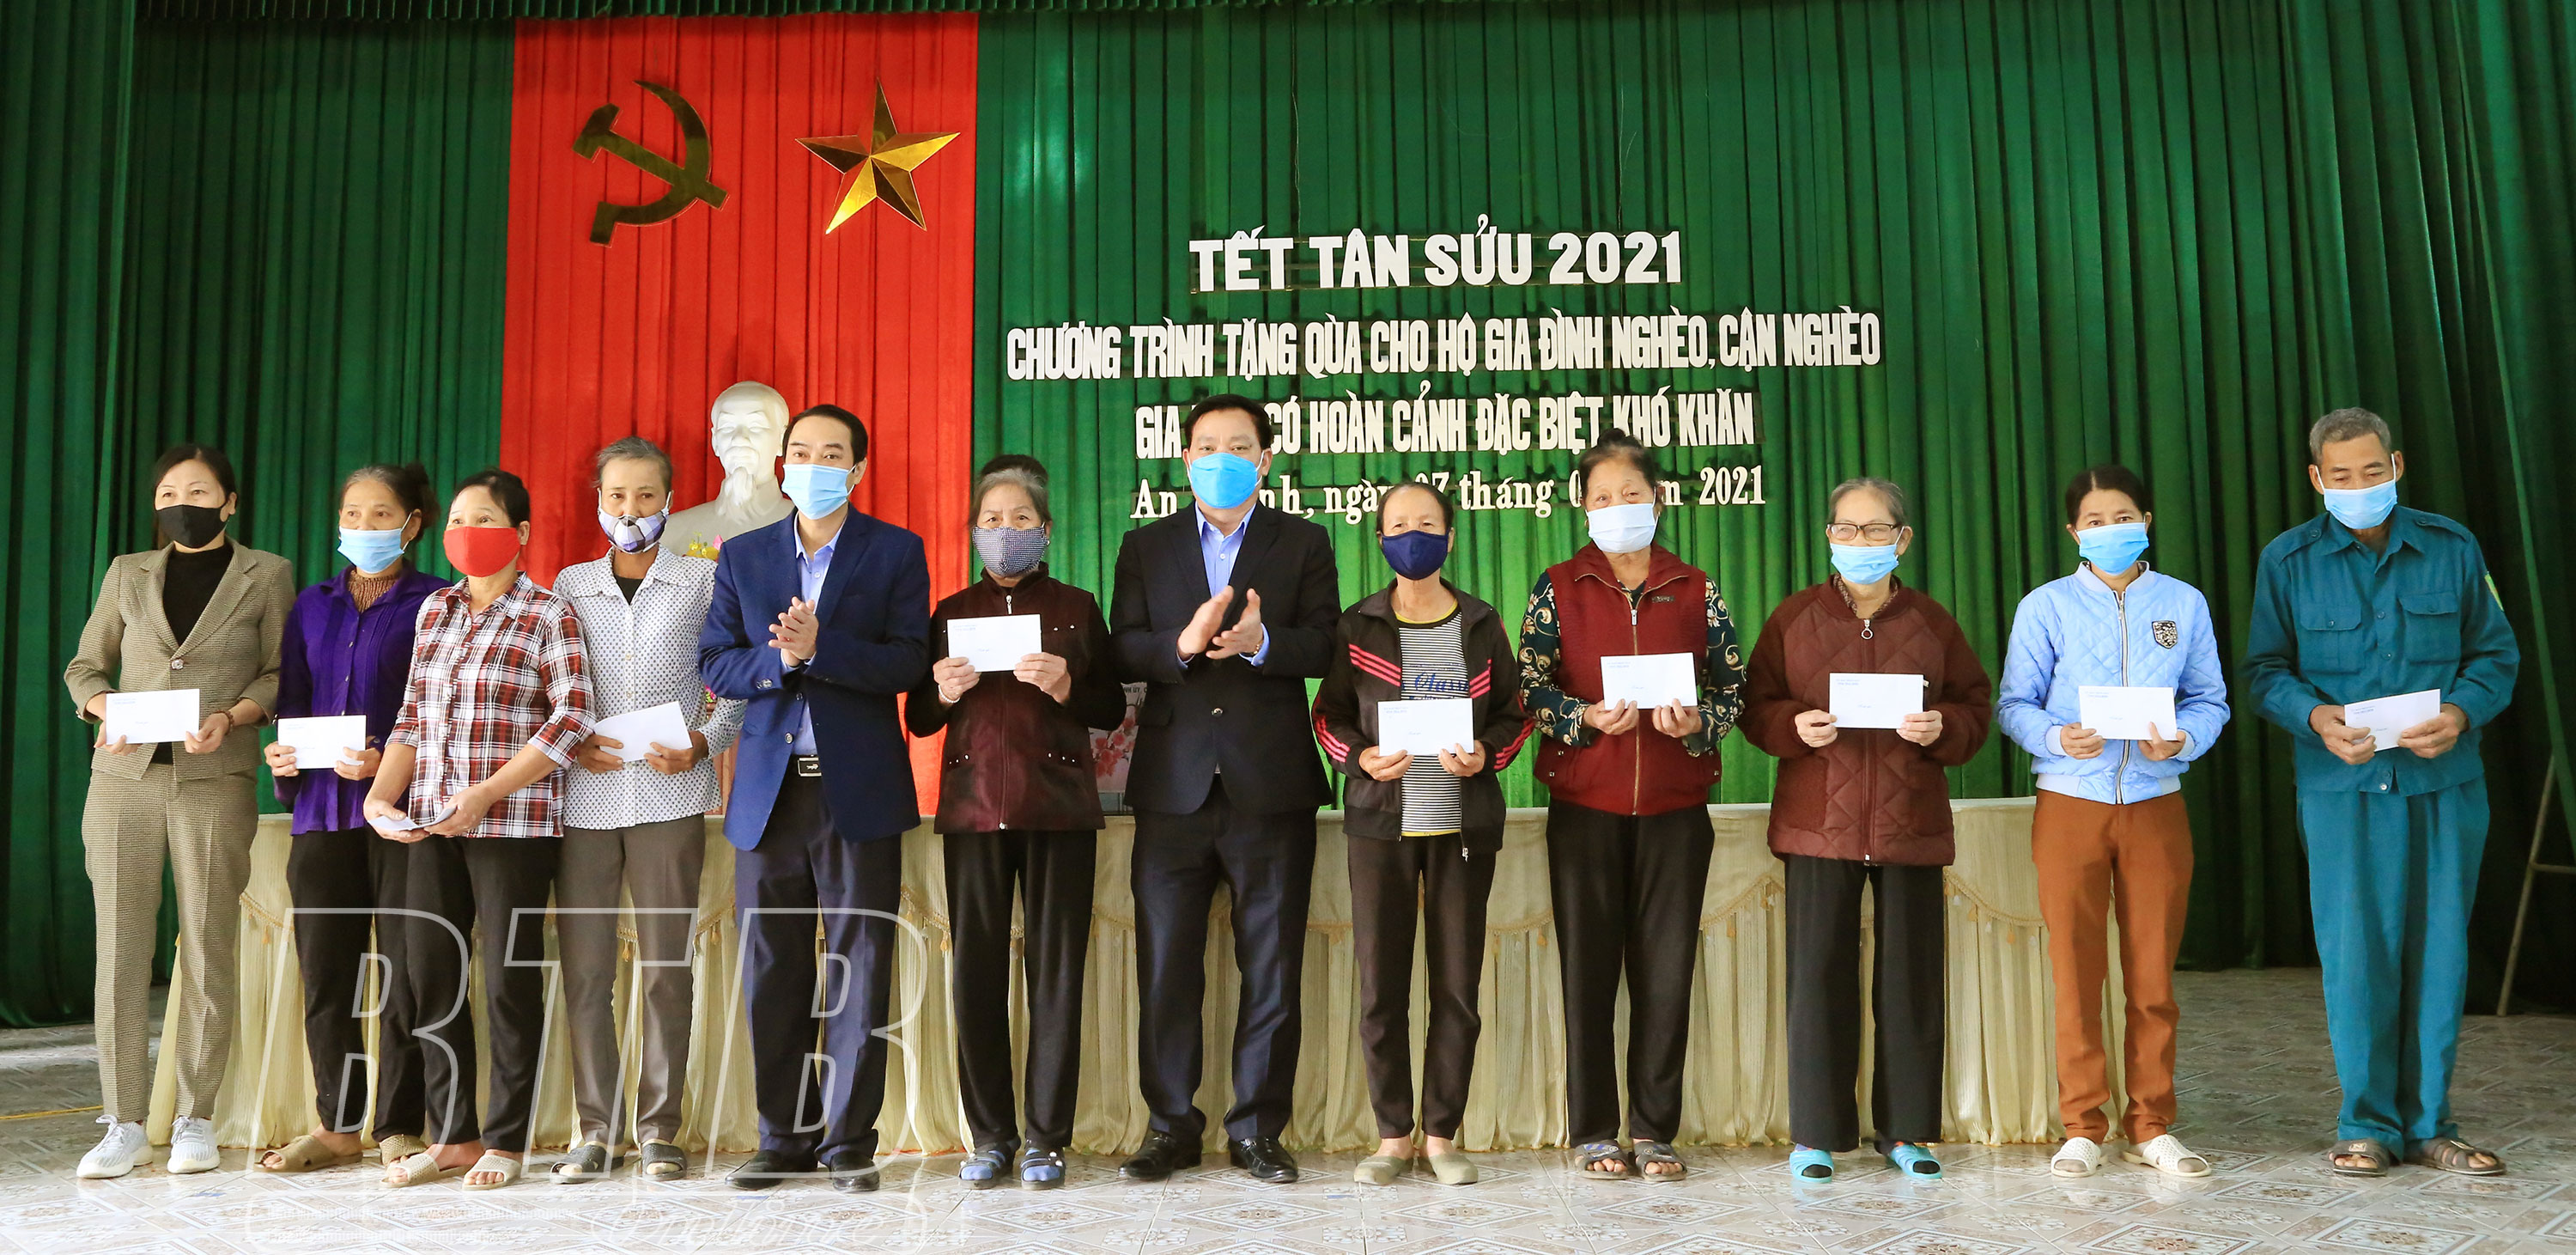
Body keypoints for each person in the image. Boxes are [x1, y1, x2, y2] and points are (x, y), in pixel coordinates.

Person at [2245, 409, 2518, 1179]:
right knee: (2356, 954)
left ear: (2397, 465)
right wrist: (2315, 717)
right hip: (2342, 787)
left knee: (2440, 951)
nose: (2359, 485)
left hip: (2442, 782)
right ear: (2317, 478)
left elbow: (2495, 655)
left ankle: (2432, 1123)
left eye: (2373, 470)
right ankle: (2365, 1123)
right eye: (2341, 475)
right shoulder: (2288, 560)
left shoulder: (2452, 547)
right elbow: (2265, 670)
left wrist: (2459, 713)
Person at [699, 404, 930, 1193]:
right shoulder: (745, 554)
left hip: (855, 789)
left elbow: (908, 661)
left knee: (861, 964)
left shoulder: (895, 550)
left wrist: (824, 648)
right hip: (768, 796)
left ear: (857, 470)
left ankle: (849, 1142)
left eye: (832, 454)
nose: (814, 464)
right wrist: (783, 662)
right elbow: (717, 662)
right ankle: (783, 1137)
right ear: (783, 465)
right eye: (801, 451)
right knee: (774, 968)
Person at [1109, 393, 1340, 1184]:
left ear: (1265, 459)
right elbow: (1123, 647)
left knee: (1271, 966)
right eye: (1207, 445)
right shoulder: (1146, 544)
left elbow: (1326, 643)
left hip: (1269, 782)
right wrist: (1182, 643)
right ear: (1185, 458)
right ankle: (1170, 1126)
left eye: (1239, 445)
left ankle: (1257, 1128)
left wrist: (1262, 641)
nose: (1221, 458)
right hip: (1171, 785)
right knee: (1166, 966)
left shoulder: (1303, 540)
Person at [1740, 475, 1990, 1183]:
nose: (1861, 541)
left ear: (1902, 539)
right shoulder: (1794, 618)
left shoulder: (1932, 622)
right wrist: (1793, 725)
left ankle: (1907, 1131)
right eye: (1847, 529)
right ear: (1829, 537)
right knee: (1818, 978)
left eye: (1876, 529)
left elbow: (1974, 706)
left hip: (1911, 823)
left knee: (1910, 982)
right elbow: (1755, 705)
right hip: (1819, 824)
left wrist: (1945, 727)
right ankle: (1816, 1136)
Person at [64, 443, 295, 1179]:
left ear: (229, 502)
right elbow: (84, 666)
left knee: (205, 944)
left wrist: (232, 715)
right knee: (120, 949)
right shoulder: (127, 571)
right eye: (168, 493)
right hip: (122, 780)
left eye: (198, 491)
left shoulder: (268, 573)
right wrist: (105, 707)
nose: (181, 504)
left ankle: (195, 1115)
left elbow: (279, 672)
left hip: (213, 778)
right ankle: (123, 1121)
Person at [1518, 431, 1742, 1181]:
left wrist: (1698, 722)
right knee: (1588, 973)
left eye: (1632, 494)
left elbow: (1732, 688)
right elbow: (1528, 686)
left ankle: (1653, 1129)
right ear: (1582, 506)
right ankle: (1593, 1129)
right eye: (1603, 497)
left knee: (1665, 973)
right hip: (1585, 804)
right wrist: (1582, 717)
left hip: (1676, 807)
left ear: (1658, 499)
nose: (1619, 507)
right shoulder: (1559, 586)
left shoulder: (1696, 586)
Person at [1996, 465, 2230, 1179]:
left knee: (2152, 975)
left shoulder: (2182, 603)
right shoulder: (2046, 606)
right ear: (2074, 532)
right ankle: (2082, 1124)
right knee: (2076, 972)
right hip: (2071, 801)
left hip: (2156, 801)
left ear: (2147, 521)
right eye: (2094, 520)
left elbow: (2210, 699)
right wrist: (2054, 737)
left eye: (2123, 516)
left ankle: (2152, 1123)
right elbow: (2014, 703)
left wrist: (2182, 740)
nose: (2110, 529)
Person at [364, 469, 595, 1190]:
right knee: (431, 976)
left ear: (521, 533)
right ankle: (454, 1133)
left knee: (506, 983)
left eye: (486, 518)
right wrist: (380, 795)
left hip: (514, 827)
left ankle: (506, 1139)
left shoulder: (547, 613)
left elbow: (572, 717)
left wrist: (489, 791)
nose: (468, 531)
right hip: (433, 822)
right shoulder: (435, 610)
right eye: (459, 519)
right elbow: (412, 715)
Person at [905, 454, 1125, 1190]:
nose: (1007, 531)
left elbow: (1110, 707)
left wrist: (1067, 685)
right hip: (972, 810)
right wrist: (941, 689)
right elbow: (920, 717)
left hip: (1059, 808)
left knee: (1056, 975)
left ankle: (1046, 1139)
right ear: (974, 532)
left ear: (1046, 529)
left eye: (1020, 518)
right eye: (992, 520)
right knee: (976, 974)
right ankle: (992, 1135)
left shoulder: (1077, 606)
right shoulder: (951, 611)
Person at [1313, 481, 1531, 1187]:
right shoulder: (1358, 625)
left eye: (1428, 524)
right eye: (1400, 524)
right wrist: (1361, 758)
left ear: (1450, 536)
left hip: (1462, 826)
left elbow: (1514, 714)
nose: (1414, 535)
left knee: (1457, 986)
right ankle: (1391, 1136)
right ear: (1380, 538)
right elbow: (1328, 716)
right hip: (1381, 825)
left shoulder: (1482, 622)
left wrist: (1486, 754)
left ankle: (1441, 1134)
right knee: (1382, 986)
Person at [548, 437, 744, 1185]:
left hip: (671, 795)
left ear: (670, 500)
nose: (630, 510)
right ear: (598, 501)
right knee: (586, 972)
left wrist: (703, 742)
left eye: (646, 496)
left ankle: (660, 1129)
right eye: (616, 496)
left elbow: (734, 683)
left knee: (666, 967)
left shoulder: (703, 580)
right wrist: (571, 744)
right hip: (586, 798)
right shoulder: (570, 585)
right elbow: (552, 685)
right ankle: (595, 1129)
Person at [255, 463, 447, 1176]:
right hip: (320, 812)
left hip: (400, 809)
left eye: (381, 513)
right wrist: (282, 756)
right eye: (353, 514)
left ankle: (398, 1122)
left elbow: (440, 709)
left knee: (404, 971)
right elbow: (293, 699)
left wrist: (386, 760)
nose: (364, 526)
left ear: (413, 523)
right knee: (328, 973)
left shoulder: (437, 602)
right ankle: (337, 1125)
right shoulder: (313, 603)